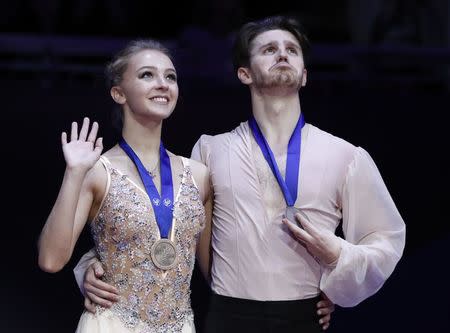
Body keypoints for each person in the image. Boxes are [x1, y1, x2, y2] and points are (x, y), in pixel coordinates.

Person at [77, 15, 406, 332]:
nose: (281, 54)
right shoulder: (210, 151)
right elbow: (168, 226)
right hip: (229, 315)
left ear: (304, 74)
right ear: (245, 73)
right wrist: (93, 264)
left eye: (291, 50)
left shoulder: (345, 155)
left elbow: (386, 239)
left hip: (304, 315)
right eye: (269, 49)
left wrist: (340, 258)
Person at [37, 39, 213, 332]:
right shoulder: (97, 171)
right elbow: (51, 259)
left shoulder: (200, 175)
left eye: (170, 77)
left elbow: (218, 274)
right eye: (147, 75)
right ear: (119, 93)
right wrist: (74, 172)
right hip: (112, 324)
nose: (162, 84)